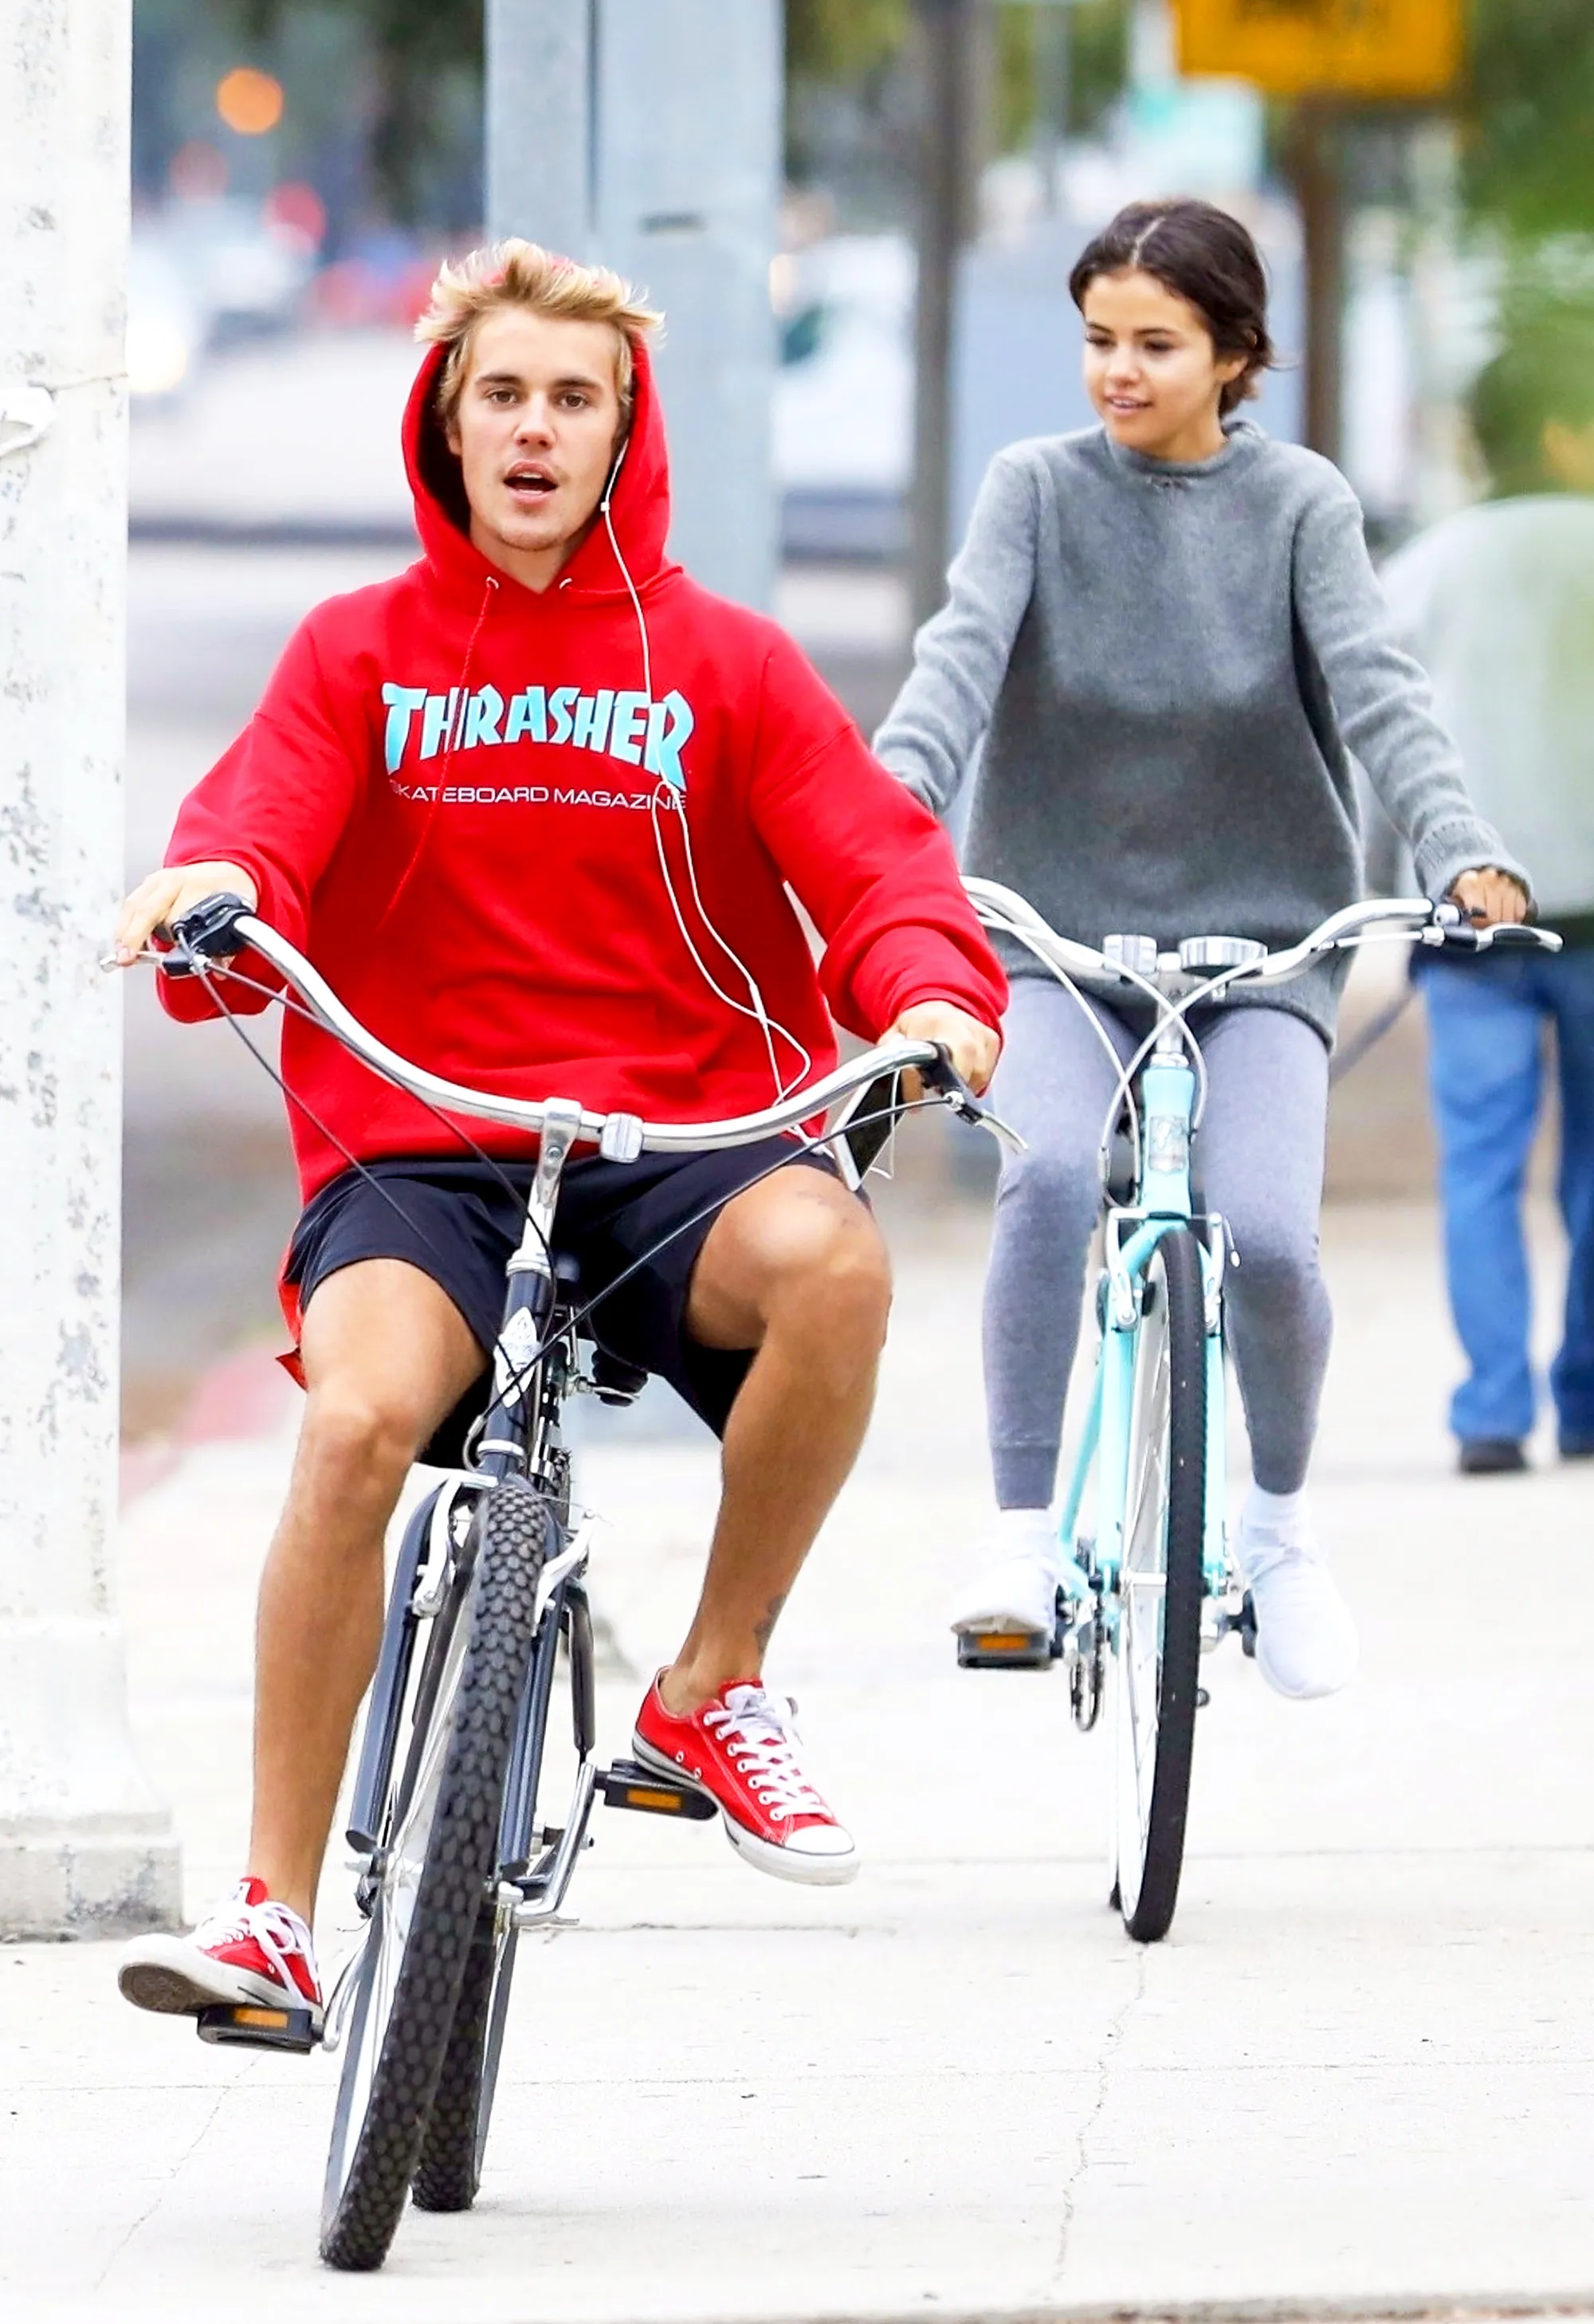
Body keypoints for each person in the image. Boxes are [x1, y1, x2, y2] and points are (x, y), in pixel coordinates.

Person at [114, 241, 1005, 2033]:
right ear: (446, 426)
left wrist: (929, 995)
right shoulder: (356, 651)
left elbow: (875, 869)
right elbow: (260, 828)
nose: (534, 429)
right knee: (354, 1428)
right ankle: (276, 1915)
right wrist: (214, 892)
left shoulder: (726, 663)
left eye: (572, 399)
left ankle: (712, 1683)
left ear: (623, 431)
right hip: (422, 1145)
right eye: (503, 395)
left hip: (683, 1138)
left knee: (834, 1265)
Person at [873, 196, 1530, 1702]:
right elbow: (954, 668)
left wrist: (1457, 847)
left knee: (1272, 1236)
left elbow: (1380, 691)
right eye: (1099, 339)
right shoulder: (1035, 491)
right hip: (1055, 935)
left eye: (1156, 345)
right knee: (1046, 1172)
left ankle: (1281, 1531)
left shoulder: (1300, 505)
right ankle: (1020, 1542)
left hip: (1261, 947)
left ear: (1235, 354)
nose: (1118, 370)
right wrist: (881, 818)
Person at [1377, 304, 1594, 1474]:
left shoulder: (1428, 568)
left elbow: (1372, 736)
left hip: (1471, 926)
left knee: (1480, 1167)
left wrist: (1381, 887)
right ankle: (1589, 1401)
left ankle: (1492, 1411)